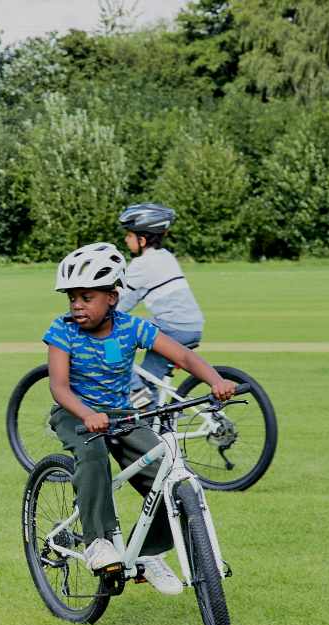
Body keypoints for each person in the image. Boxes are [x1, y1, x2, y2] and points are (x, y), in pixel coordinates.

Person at [44, 243, 235, 595]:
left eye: (86, 297)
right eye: (72, 297)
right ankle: (97, 542)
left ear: (112, 298)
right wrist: (87, 414)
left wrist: (216, 380)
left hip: (122, 416)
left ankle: (147, 553)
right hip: (75, 414)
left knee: (167, 475)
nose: (76, 305)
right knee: (93, 455)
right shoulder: (63, 330)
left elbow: (181, 355)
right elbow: (59, 387)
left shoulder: (132, 327)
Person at [116, 204, 205, 405]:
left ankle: (138, 393)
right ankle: (159, 419)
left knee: (111, 341)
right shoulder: (165, 256)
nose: (125, 240)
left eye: (129, 235)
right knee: (149, 378)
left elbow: (121, 302)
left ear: (142, 239)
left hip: (171, 327)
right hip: (190, 326)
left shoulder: (142, 265)